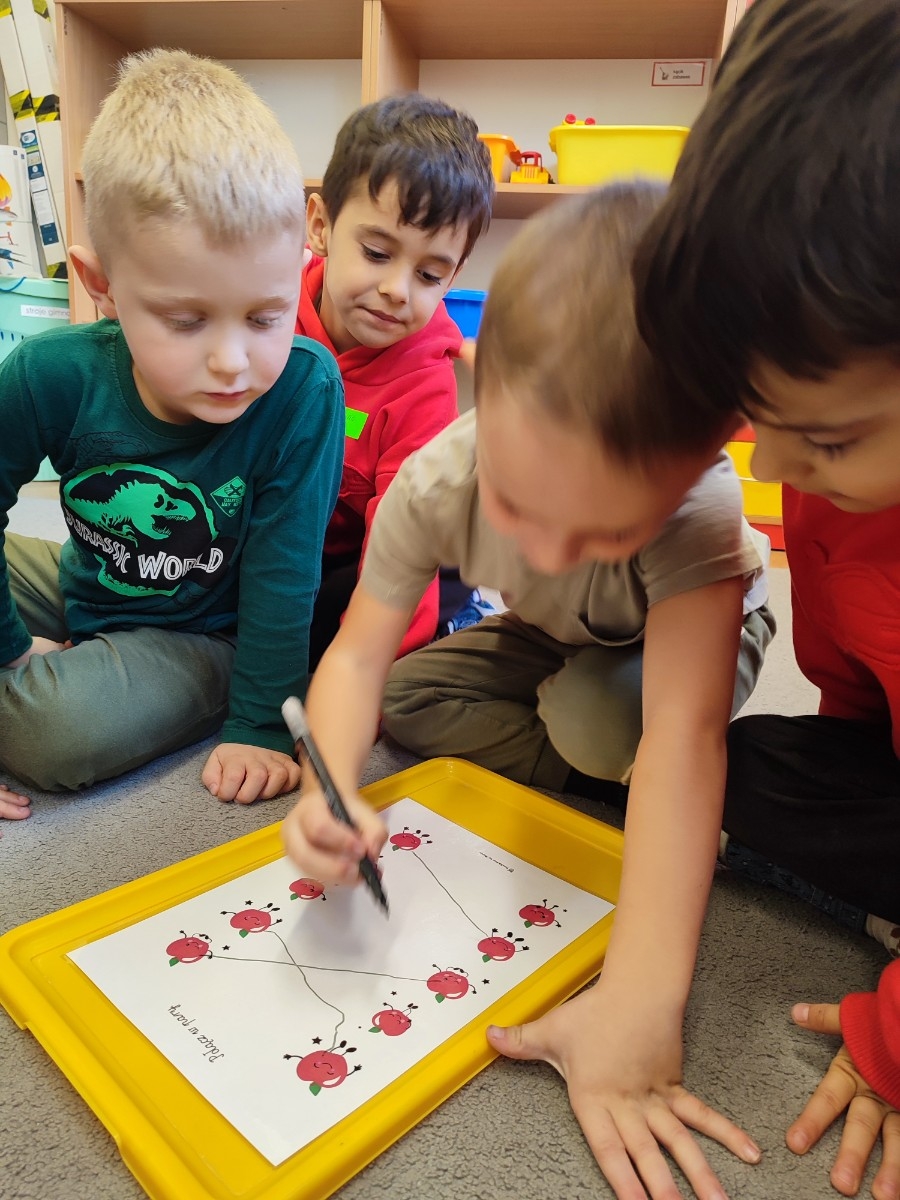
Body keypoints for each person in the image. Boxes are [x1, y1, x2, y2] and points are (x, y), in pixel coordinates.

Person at [283, 182, 775, 1200]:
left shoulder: (700, 512)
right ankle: (588, 745)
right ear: (477, 386)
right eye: (516, 504)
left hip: (676, 638)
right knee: (411, 700)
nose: (547, 550)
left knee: (605, 725)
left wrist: (641, 1009)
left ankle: (603, 757)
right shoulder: (435, 479)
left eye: (605, 529)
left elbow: (684, 737)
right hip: (547, 634)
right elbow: (358, 660)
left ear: (705, 454)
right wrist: (328, 788)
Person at [633, 0, 900, 1194]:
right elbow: (855, 709)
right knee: (739, 766)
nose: (775, 467)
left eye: (825, 440)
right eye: (762, 420)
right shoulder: (831, 461)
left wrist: (890, 1048)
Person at [0, 49, 343, 819]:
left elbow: (285, 577)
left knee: (57, 732)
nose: (232, 362)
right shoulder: (49, 372)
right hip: (81, 581)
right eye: (187, 321)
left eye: (266, 316)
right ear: (102, 286)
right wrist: (12, 648)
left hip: (208, 635)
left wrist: (260, 725)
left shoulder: (305, 389)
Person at [297, 92, 494, 667]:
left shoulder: (425, 382)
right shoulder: (269, 318)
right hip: (283, 540)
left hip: (374, 548)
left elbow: (400, 550)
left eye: (429, 275)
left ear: (453, 276)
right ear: (320, 227)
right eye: (377, 253)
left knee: (430, 558)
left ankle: (460, 617)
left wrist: (369, 679)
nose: (397, 290)